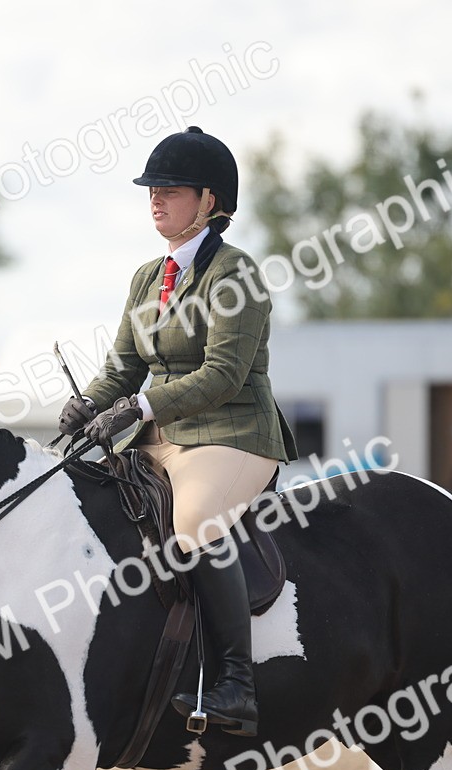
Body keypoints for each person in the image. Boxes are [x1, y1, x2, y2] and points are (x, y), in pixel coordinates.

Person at [57, 126, 297, 737]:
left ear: (210, 202)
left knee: (192, 528)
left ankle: (237, 684)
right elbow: (123, 366)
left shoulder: (235, 275)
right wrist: (87, 405)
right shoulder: (147, 277)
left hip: (231, 434)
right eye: (151, 190)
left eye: (170, 190)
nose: (155, 200)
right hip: (159, 436)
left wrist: (138, 411)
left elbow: (222, 375)